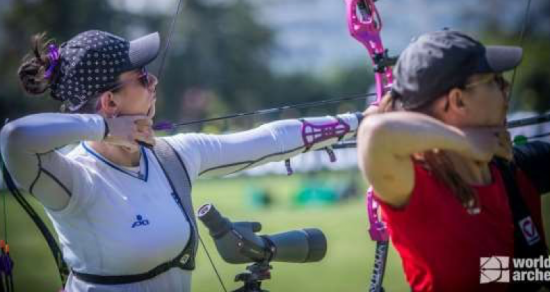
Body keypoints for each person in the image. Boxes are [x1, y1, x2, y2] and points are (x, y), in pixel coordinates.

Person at [0, 29, 363, 292]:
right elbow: (14, 137)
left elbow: (269, 139)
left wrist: (359, 122)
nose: (154, 81)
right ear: (110, 103)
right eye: (142, 77)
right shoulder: (74, 180)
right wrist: (106, 129)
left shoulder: (170, 155)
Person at [357, 29, 550, 292]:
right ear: (458, 100)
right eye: (494, 81)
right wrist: (465, 141)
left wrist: (541, 271)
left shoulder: (512, 168)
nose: (507, 89)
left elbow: (491, 272)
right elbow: (374, 133)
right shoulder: (417, 186)